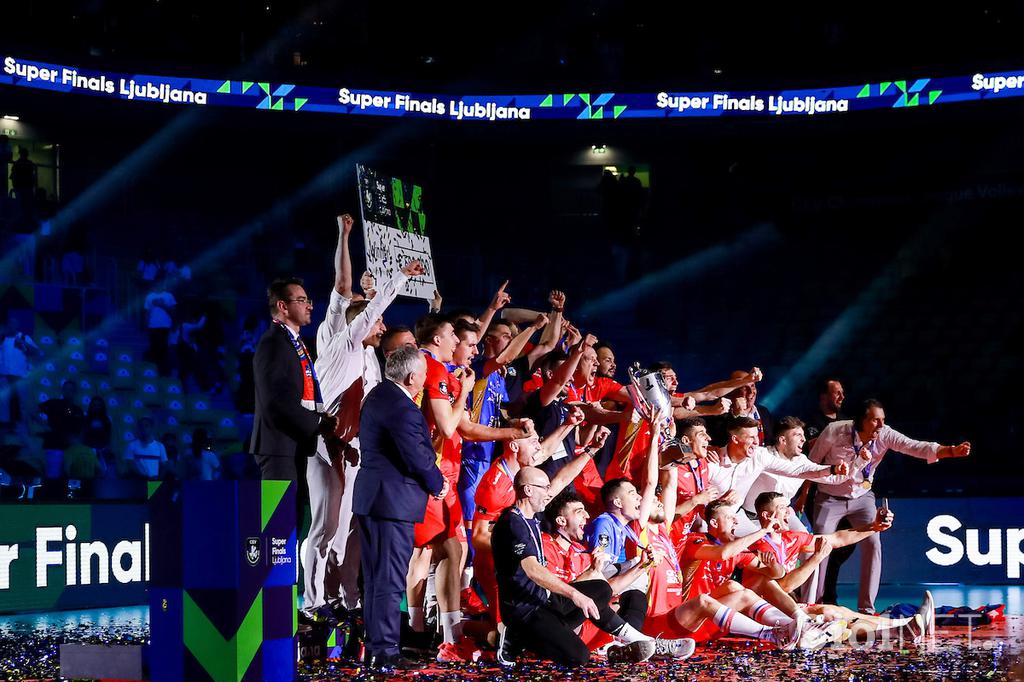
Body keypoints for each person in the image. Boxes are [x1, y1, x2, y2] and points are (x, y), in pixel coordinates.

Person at [491, 466, 683, 667]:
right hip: (526, 609)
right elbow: (531, 570)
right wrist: (576, 595)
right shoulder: (514, 523)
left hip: (547, 603)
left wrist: (641, 566)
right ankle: (516, 637)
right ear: (529, 490)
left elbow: (561, 479)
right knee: (579, 656)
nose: (549, 492)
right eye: (544, 488)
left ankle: (634, 642)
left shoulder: (533, 519)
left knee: (601, 589)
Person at [808, 399, 970, 613]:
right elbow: (810, 464)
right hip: (828, 497)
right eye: (875, 420)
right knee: (820, 547)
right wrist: (803, 497)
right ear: (861, 420)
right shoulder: (834, 431)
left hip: (862, 497)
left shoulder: (884, 434)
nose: (880, 425)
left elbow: (914, 446)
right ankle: (811, 606)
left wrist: (949, 451)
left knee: (873, 544)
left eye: (883, 420)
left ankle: (866, 608)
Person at [353, 346, 447, 671]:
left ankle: (379, 650)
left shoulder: (380, 396)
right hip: (391, 504)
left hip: (375, 500)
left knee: (378, 580)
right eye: (424, 373)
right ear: (412, 377)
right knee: (389, 581)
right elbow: (418, 455)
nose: (427, 378)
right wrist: (439, 482)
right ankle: (385, 653)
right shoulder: (402, 407)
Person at [749, 491, 930, 642]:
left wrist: (874, 527)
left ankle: (907, 624)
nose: (789, 512)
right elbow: (784, 586)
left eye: (788, 507)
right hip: (763, 611)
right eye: (782, 508)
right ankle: (903, 629)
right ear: (766, 515)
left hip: (786, 606)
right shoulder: (759, 546)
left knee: (840, 611)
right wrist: (816, 558)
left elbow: (838, 538)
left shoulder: (792, 537)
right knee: (831, 614)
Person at [248, 277, 337, 483]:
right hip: (278, 446)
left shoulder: (293, 342)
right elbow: (276, 400)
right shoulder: (272, 343)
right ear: (283, 306)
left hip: (295, 444)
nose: (309, 306)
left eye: (309, 300)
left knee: (294, 513)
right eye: (302, 300)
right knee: (279, 514)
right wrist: (317, 421)